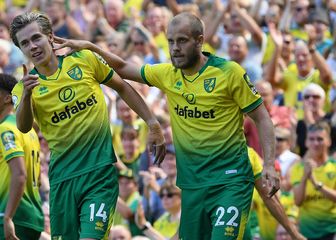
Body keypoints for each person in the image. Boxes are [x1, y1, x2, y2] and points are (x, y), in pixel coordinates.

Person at [54, 12, 280, 239]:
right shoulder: (168, 74)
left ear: (200, 41)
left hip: (230, 180)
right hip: (192, 186)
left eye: (182, 40)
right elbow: (122, 67)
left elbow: (262, 118)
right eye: (171, 41)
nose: (175, 48)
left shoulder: (229, 73)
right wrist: (91, 47)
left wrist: (269, 164)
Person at [9, 12, 165, 239]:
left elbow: (122, 87)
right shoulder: (23, 88)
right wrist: (25, 96)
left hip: (99, 173)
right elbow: (23, 127)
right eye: (25, 43)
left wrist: (153, 123)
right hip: (63, 179)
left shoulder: (83, 60)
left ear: (50, 37)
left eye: (36, 38)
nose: (32, 46)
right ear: (21, 50)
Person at [0, 73, 44, 239]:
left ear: (7, 99)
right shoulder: (29, 131)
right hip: (32, 217)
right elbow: (38, 179)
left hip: (12, 216)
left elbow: (20, 174)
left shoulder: (5, 129)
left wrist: (8, 216)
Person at [290, 122, 336, 239]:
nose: (315, 143)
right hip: (307, 232)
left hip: (331, 230)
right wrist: (305, 177)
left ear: (329, 141)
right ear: (306, 142)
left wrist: (316, 184)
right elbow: (298, 201)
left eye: (320, 139)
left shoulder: (334, 166)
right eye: (311, 139)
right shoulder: (297, 169)